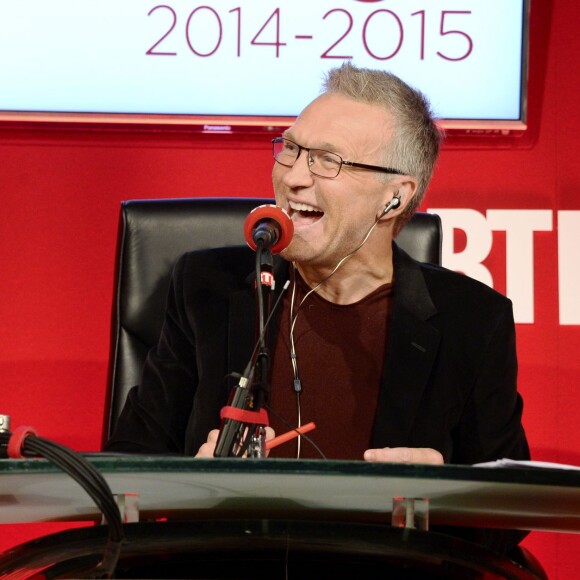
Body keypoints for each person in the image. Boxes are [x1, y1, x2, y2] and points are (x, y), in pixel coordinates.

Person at [105, 63, 530, 553]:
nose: (293, 178)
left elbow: (507, 520)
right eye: (290, 148)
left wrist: (444, 493)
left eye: (327, 161)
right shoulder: (208, 288)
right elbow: (126, 463)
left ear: (394, 198)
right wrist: (191, 480)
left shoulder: (471, 321)